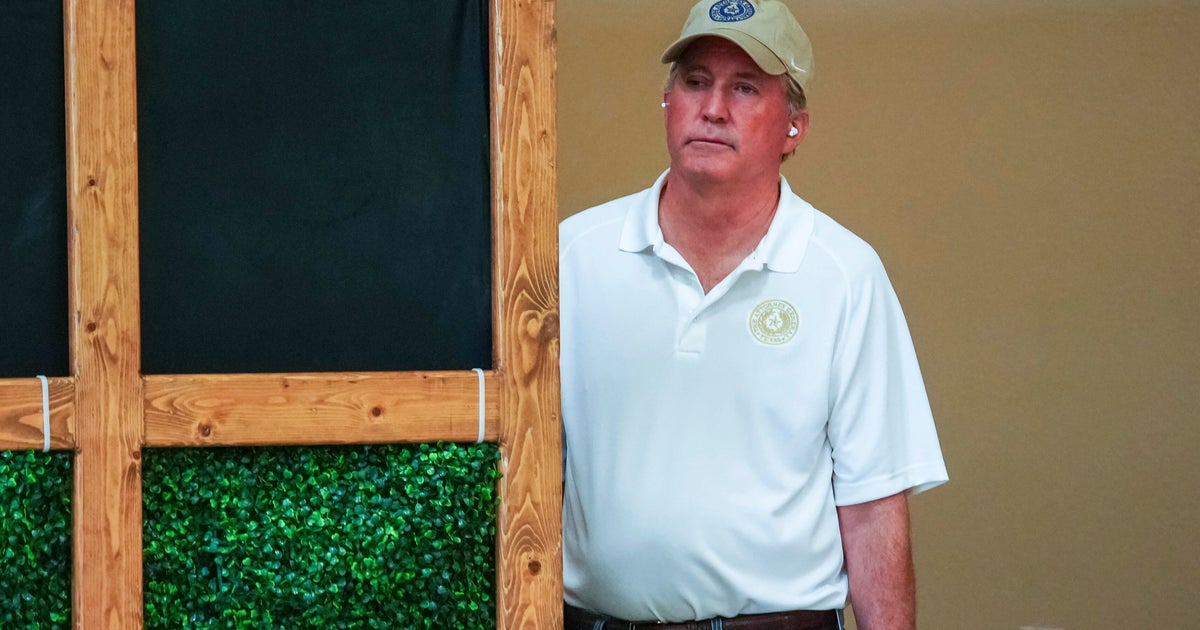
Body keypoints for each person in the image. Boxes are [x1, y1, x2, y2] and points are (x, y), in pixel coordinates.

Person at [559, 1, 948, 629]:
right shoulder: (571, 256)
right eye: (696, 82)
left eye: (744, 88)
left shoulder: (844, 274)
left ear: (795, 127)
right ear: (667, 102)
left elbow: (874, 506)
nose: (713, 108)